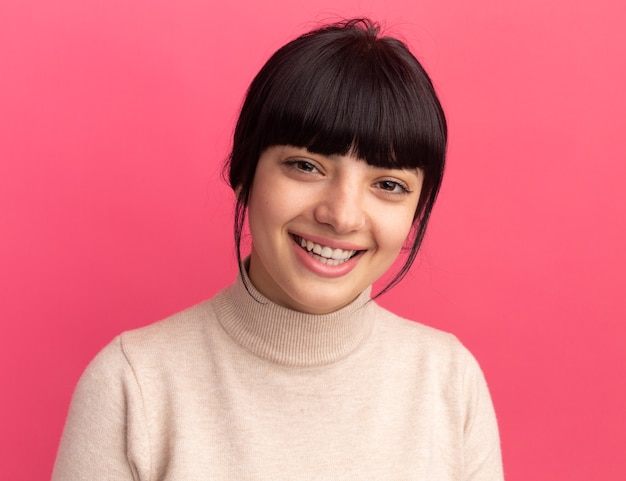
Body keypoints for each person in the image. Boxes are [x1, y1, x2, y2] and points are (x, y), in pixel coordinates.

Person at [52, 18, 504, 480]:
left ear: (417, 209)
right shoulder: (134, 386)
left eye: (388, 184)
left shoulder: (449, 383)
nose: (342, 215)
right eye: (306, 166)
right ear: (245, 173)